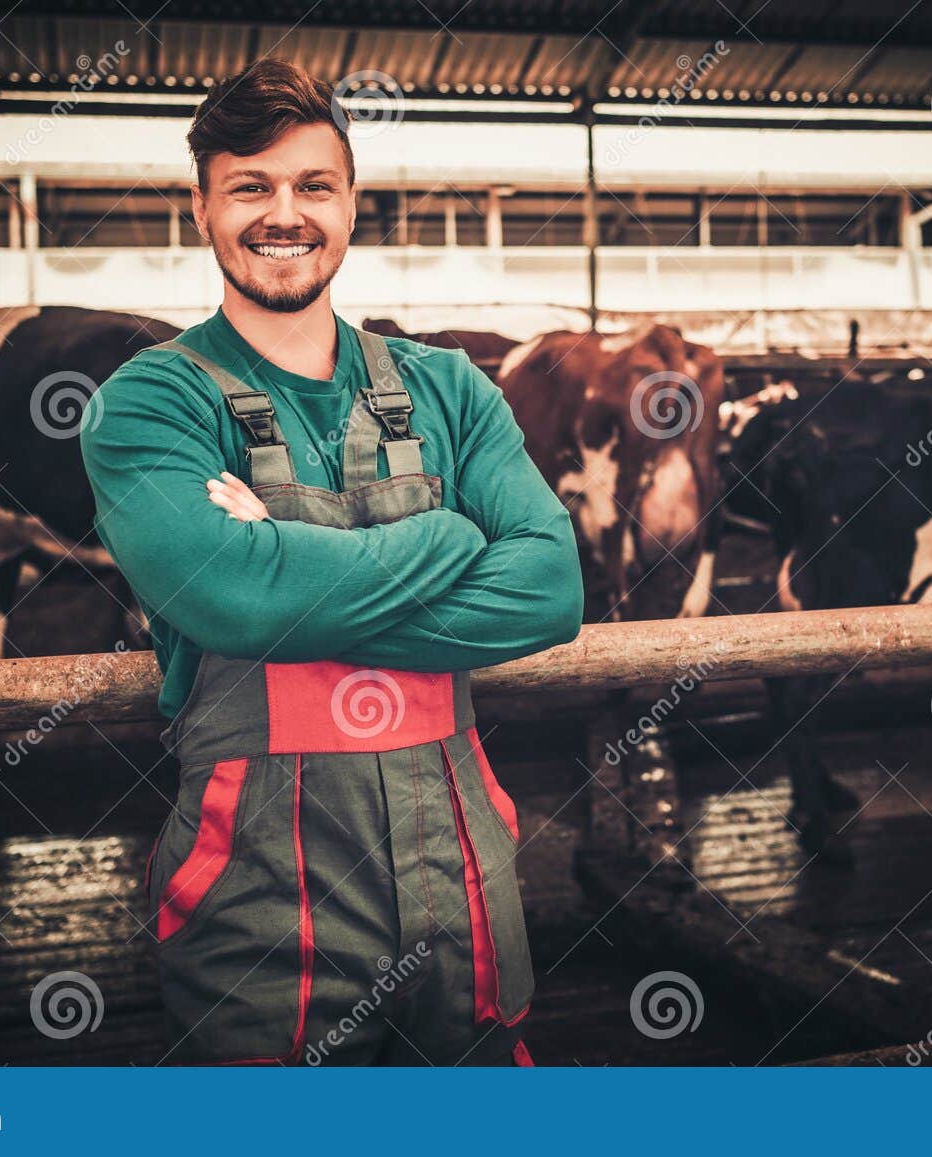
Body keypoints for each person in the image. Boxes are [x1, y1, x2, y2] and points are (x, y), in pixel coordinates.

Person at [79, 57, 583, 1066]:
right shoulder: (149, 403)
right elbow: (227, 594)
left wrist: (286, 581)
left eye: (313, 185)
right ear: (203, 208)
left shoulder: (450, 387)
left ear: (351, 204)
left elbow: (550, 588)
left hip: (466, 876)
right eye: (250, 186)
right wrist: (446, 538)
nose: (284, 213)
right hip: (257, 893)